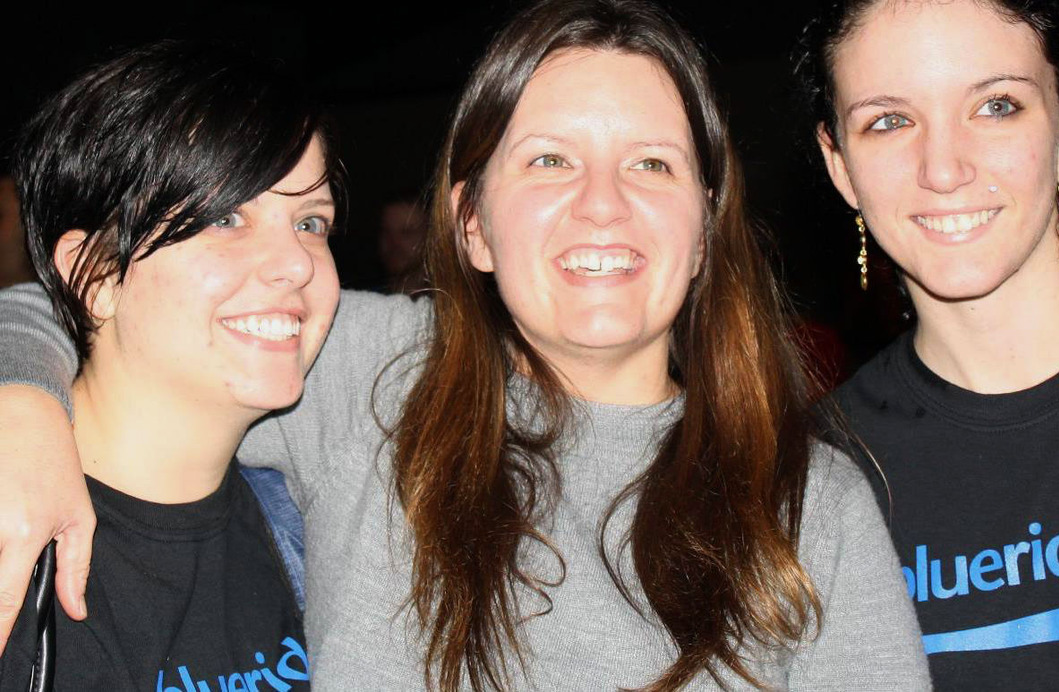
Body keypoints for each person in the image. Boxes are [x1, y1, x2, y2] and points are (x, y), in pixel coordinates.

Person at [0, 1, 930, 689]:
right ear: (472, 224)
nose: (602, 205)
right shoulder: (368, 372)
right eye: (549, 160)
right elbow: (96, 292)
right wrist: (23, 401)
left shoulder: (806, 503)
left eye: (651, 164)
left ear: (703, 228)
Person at [799, 0, 1059, 688]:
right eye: (889, 121)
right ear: (839, 164)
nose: (943, 169)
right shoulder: (809, 478)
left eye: (996, 107)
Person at [0, 41, 343, 689]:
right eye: (227, 217)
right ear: (95, 274)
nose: (297, 264)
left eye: (311, 223)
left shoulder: (317, 528)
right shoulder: (13, 536)